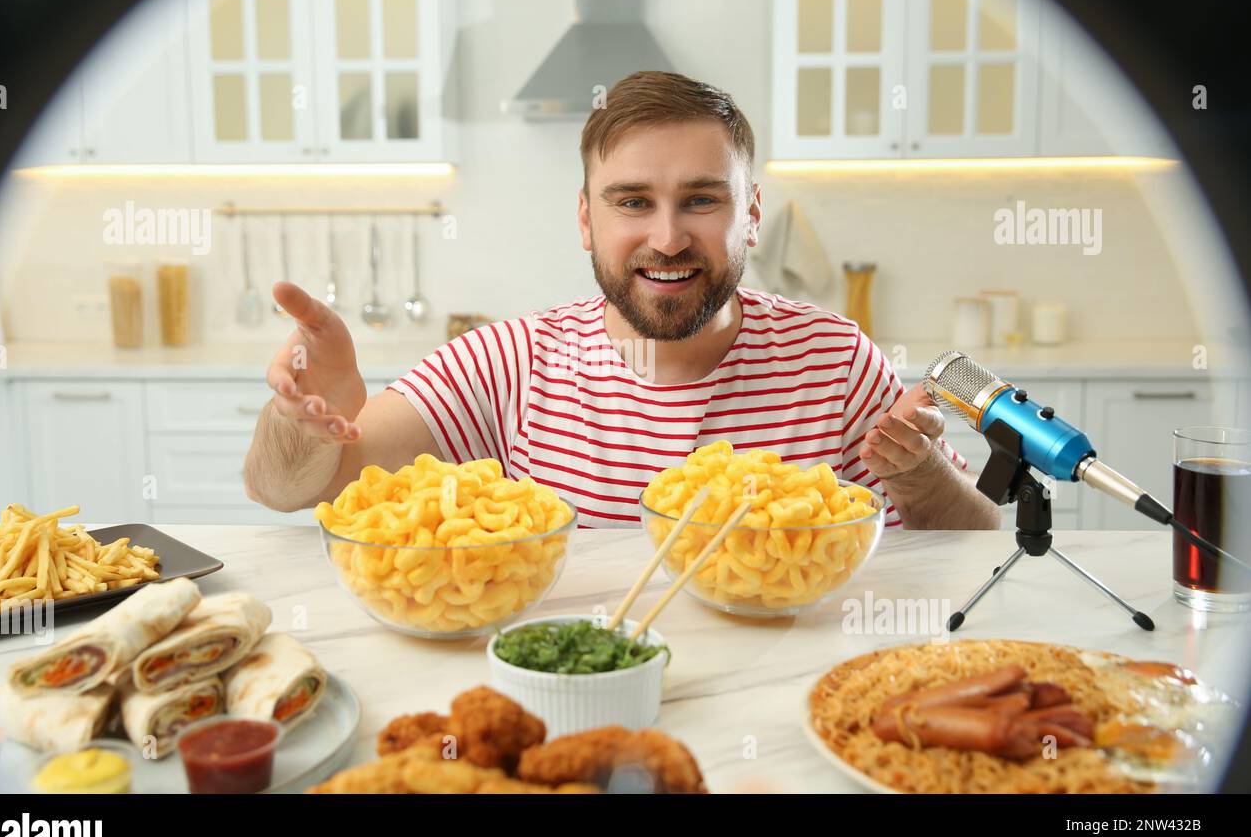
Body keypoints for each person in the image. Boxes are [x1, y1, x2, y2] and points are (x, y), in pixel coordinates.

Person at [244, 71, 999, 531]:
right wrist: (301, 423)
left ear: (753, 214)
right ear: (586, 219)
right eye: (632, 202)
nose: (667, 239)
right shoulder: (513, 360)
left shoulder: (833, 357)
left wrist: (925, 478)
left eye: (701, 201)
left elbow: (975, 536)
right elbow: (291, 493)